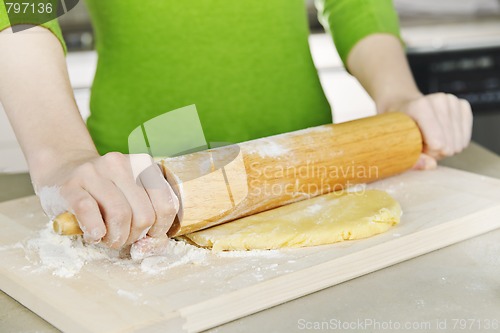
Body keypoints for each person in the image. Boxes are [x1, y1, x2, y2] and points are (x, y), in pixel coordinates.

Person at [0, 0, 472, 249]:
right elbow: (26, 4)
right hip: (143, 183)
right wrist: (62, 153)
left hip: (310, 170)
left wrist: (397, 94)